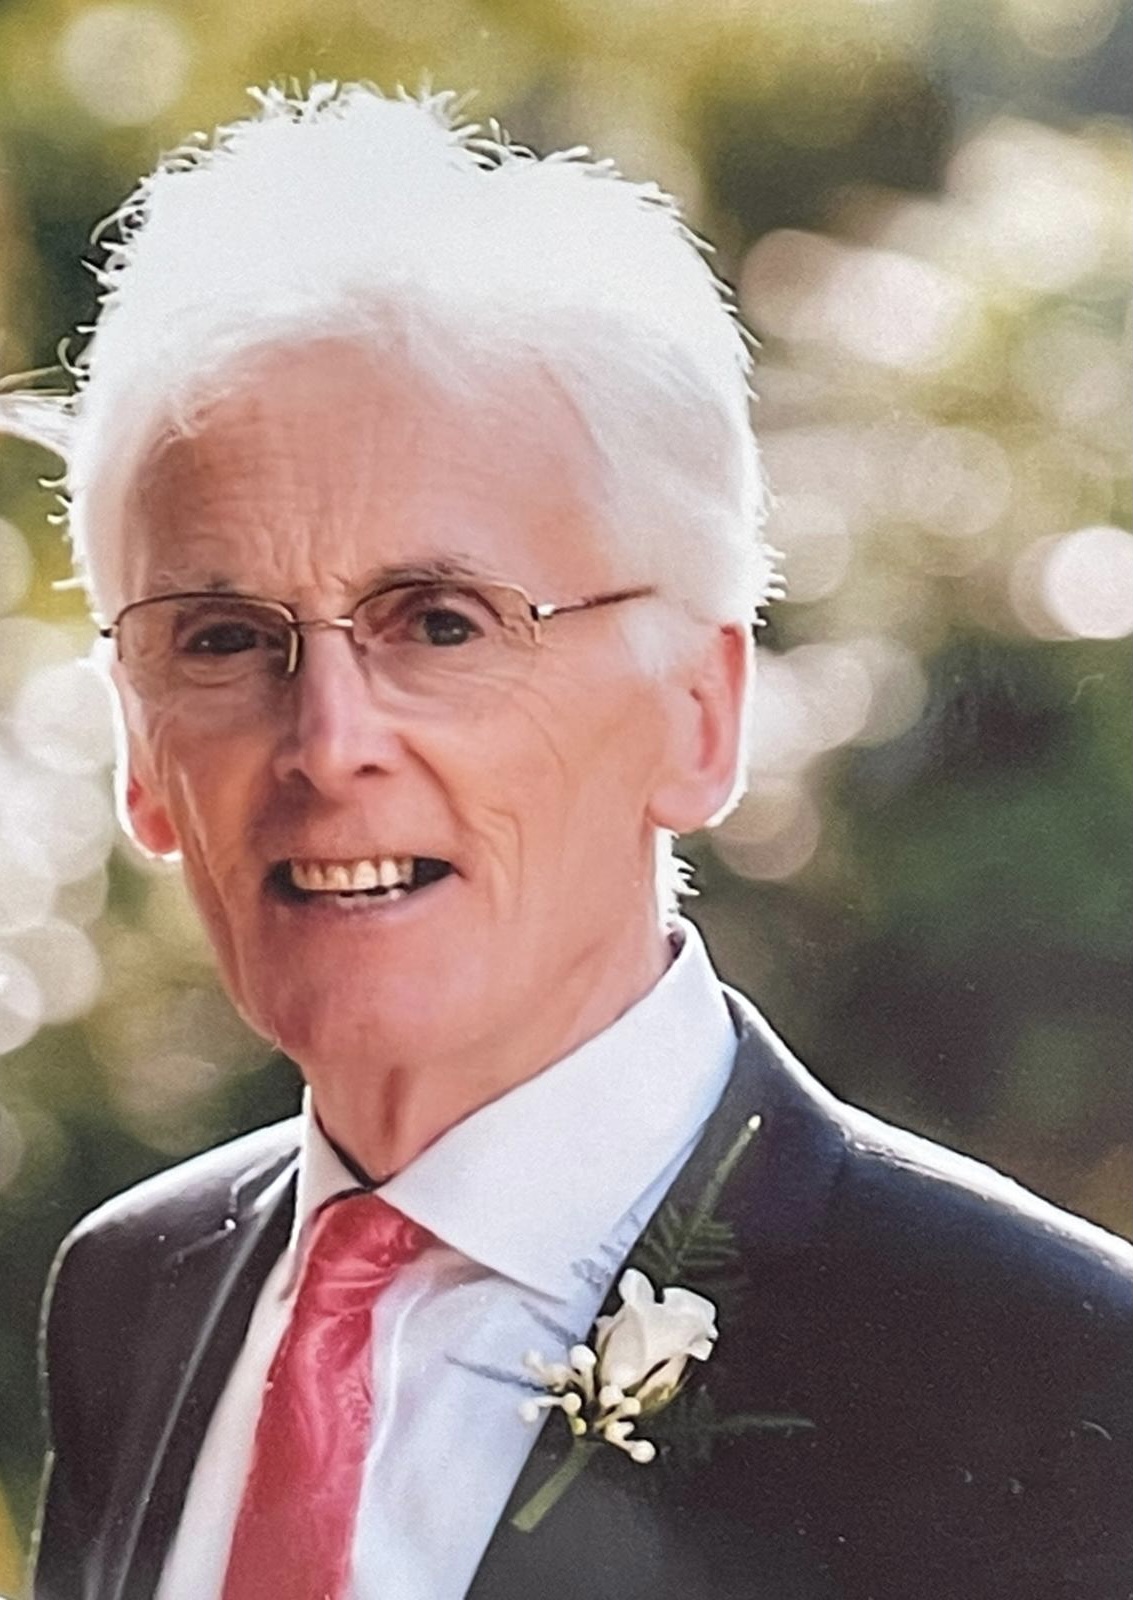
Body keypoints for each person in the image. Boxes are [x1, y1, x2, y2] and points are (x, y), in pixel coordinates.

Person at [9, 82, 1130, 1600]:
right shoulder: (131, 1293)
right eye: (221, 637)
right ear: (139, 752)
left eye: (441, 622)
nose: (327, 739)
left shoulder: (1046, 1372)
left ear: (699, 713)